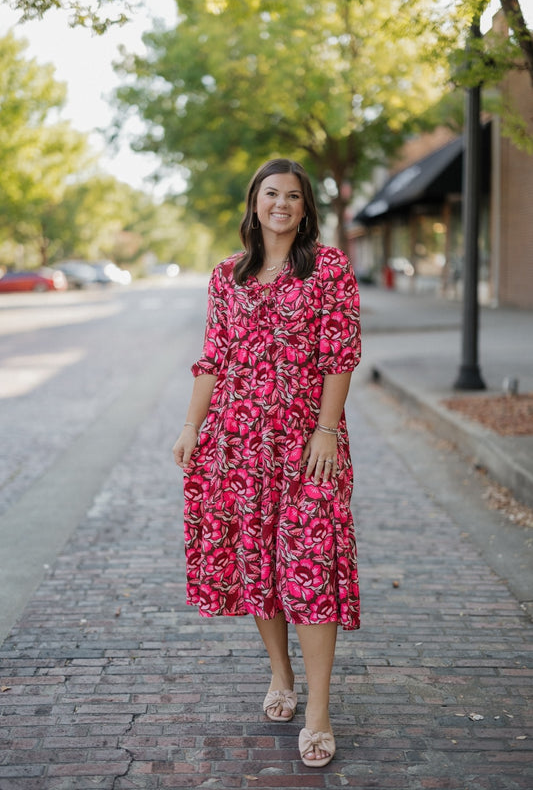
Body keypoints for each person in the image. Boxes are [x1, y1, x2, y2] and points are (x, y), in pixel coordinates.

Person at [173, 158, 361, 768]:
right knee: (260, 562)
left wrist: (327, 430)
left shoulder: (328, 267)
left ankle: (319, 710)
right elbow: (213, 358)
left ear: (306, 210)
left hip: (309, 443)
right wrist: (192, 426)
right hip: (239, 443)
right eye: (271, 193)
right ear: (254, 202)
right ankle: (281, 675)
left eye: (294, 196)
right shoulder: (226, 275)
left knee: (310, 561)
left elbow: (341, 350)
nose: (281, 204)